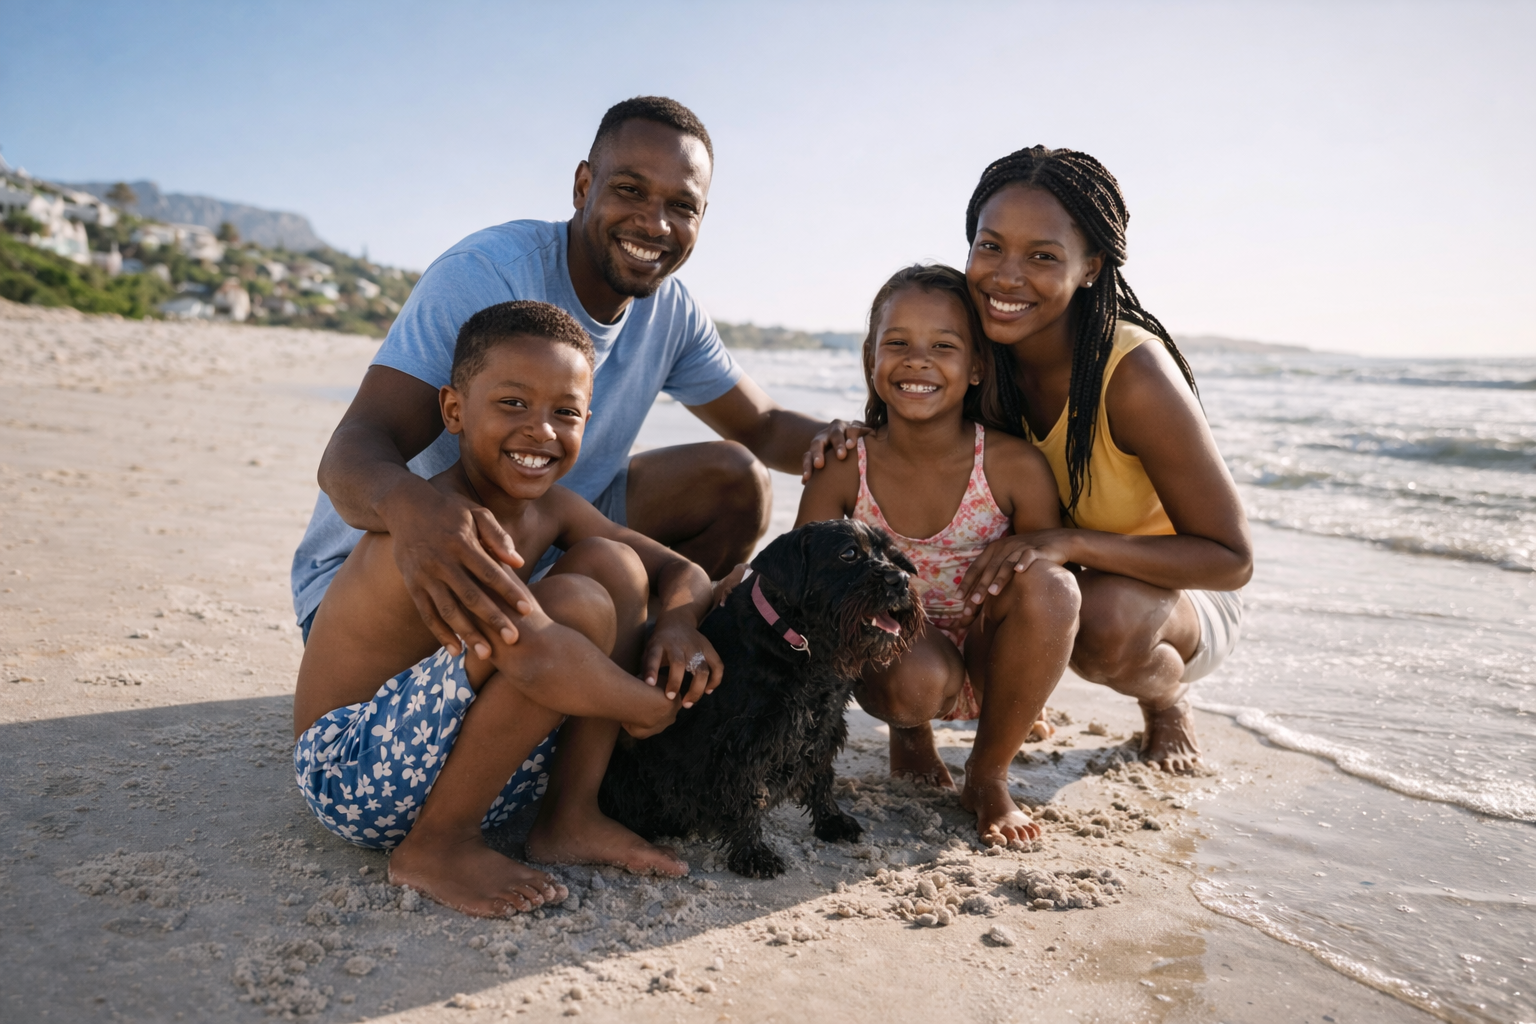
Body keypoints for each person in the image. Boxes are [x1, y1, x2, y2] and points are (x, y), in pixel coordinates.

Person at [292, 96, 855, 669]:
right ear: (584, 186)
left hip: (546, 540)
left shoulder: (671, 312)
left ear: (701, 218)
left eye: (681, 205)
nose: (654, 223)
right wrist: (415, 514)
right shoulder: (487, 276)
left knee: (736, 480)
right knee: (570, 607)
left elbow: (762, 424)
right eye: (630, 190)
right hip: (394, 567)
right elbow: (349, 453)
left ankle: (660, 661)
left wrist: (869, 445)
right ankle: (590, 677)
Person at [293, 301, 722, 916]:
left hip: (448, 761)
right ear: (454, 411)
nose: (541, 431)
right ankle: (437, 845)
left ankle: (570, 815)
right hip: (356, 770)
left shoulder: (554, 509)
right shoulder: (443, 528)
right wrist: (650, 706)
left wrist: (678, 621)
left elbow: (679, 571)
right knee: (571, 604)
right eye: (513, 404)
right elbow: (537, 655)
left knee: (614, 565)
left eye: (565, 413)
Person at [950, 146, 1253, 773]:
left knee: (1105, 623)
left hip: (1178, 598)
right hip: (1052, 573)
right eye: (990, 246)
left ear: (1089, 267)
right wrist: (848, 440)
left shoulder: (1132, 374)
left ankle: (1168, 699)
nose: (1007, 275)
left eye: (1042, 256)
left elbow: (1232, 559)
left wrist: (1069, 543)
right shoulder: (974, 351)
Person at [795, 265, 1079, 845]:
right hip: (899, 661)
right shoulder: (847, 465)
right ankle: (911, 733)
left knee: (1053, 585)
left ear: (976, 366)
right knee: (910, 674)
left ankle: (988, 772)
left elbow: (1049, 596)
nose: (918, 360)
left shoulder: (1012, 465)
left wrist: (1026, 701)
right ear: (871, 357)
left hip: (989, 656)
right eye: (897, 343)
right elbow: (803, 581)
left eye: (943, 346)